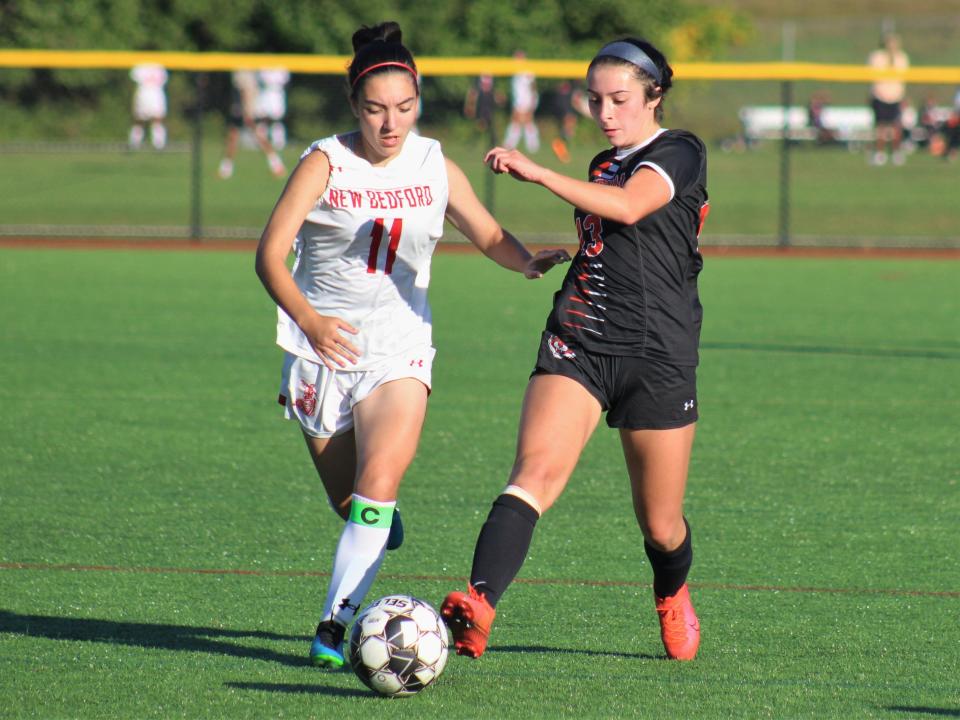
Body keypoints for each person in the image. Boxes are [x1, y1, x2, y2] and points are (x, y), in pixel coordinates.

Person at [254, 21, 569, 671]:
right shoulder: (324, 162)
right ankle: (373, 521)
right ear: (354, 107)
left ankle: (334, 628)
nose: (390, 123)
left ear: (418, 102)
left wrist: (526, 260)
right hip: (321, 356)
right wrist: (311, 323)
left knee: (377, 485)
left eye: (404, 107)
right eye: (375, 110)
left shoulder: (433, 164)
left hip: (400, 351)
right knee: (352, 503)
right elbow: (268, 256)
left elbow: (484, 232)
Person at [441, 36, 709, 663]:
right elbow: (607, 238)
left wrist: (537, 172)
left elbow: (630, 206)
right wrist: (534, 261)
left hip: (659, 356)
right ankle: (479, 602)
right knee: (533, 475)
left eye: (619, 99)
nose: (606, 113)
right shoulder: (599, 163)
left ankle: (671, 591)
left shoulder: (680, 151)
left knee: (661, 526)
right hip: (580, 338)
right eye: (595, 101)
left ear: (654, 96)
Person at [218, 70, 286, 179]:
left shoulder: (242, 70)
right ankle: (225, 169)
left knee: (258, 137)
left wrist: (246, 112)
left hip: (246, 110)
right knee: (233, 137)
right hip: (241, 108)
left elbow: (245, 91)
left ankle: (276, 165)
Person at [867, 33, 909, 166]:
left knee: (897, 125)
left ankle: (896, 152)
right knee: (881, 126)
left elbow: (904, 76)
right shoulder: (877, 56)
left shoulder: (902, 57)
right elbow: (872, 73)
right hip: (880, 94)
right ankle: (880, 153)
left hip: (896, 95)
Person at [504, 50, 540, 153]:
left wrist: (533, 101)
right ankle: (531, 145)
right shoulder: (515, 71)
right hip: (519, 100)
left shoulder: (526, 70)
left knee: (521, 121)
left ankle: (512, 144)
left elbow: (532, 86)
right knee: (520, 122)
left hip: (525, 100)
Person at [128, 63, 168, 150]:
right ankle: (134, 143)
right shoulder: (141, 64)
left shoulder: (158, 65)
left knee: (157, 119)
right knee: (140, 120)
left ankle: (158, 144)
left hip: (153, 93)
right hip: (146, 93)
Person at [549, 79, 589, 163]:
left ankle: (561, 146)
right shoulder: (573, 84)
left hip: (565, 105)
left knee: (569, 129)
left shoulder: (573, 85)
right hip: (566, 106)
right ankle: (559, 144)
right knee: (569, 127)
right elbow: (576, 100)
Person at [255, 67, 291, 150]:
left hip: (277, 95)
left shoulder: (281, 68)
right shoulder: (263, 68)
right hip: (265, 94)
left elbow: (285, 81)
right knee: (263, 119)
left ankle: (278, 141)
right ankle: (261, 142)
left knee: (276, 120)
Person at [464, 74, 504, 142]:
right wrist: (470, 106)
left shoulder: (493, 75)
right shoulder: (478, 77)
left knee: (490, 125)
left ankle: (491, 141)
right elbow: (473, 91)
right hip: (482, 100)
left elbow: (494, 90)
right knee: (482, 124)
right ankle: (473, 140)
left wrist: (499, 97)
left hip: (489, 100)